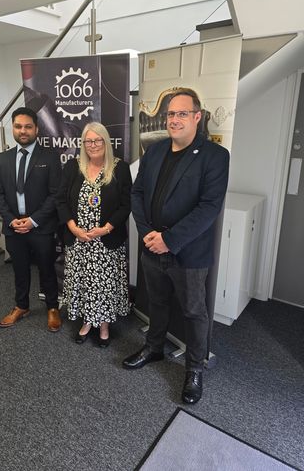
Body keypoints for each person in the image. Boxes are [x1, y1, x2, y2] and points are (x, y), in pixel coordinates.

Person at [122, 87, 229, 404]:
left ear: (198, 116)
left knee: (195, 313)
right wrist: (147, 235)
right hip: (151, 247)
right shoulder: (154, 151)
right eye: (170, 113)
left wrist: (169, 240)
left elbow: (209, 208)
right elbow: (137, 194)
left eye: (182, 113)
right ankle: (154, 348)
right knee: (157, 303)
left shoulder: (215, 156)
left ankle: (195, 369)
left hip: (189, 253)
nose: (175, 119)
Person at [56, 122, 132, 347]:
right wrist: (72, 227)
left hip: (105, 241)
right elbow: (60, 200)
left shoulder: (120, 168)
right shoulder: (72, 167)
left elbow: (125, 205)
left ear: (106, 142)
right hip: (79, 241)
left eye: (97, 140)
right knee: (83, 283)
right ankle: (87, 322)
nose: (93, 145)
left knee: (104, 285)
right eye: (88, 141)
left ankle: (104, 325)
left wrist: (106, 228)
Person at [0, 107, 62, 332]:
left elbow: (55, 194)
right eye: (18, 126)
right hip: (14, 227)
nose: (23, 131)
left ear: (37, 129)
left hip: (40, 227)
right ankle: (21, 306)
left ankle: (52, 307)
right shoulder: (3, 158)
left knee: (46, 269)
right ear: (13, 128)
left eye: (28, 126)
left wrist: (33, 220)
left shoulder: (49, 158)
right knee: (19, 269)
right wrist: (11, 220)